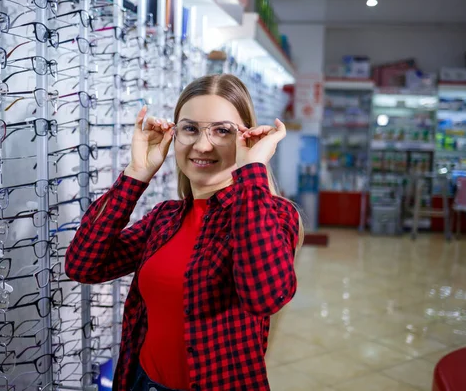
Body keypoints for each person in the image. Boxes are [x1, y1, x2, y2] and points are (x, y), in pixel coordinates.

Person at [65, 74, 304, 391]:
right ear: (174, 135)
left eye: (222, 131)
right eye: (190, 128)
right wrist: (136, 174)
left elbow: (265, 297)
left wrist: (252, 171)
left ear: (248, 137)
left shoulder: (273, 214)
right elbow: (84, 265)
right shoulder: (164, 219)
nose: (203, 145)